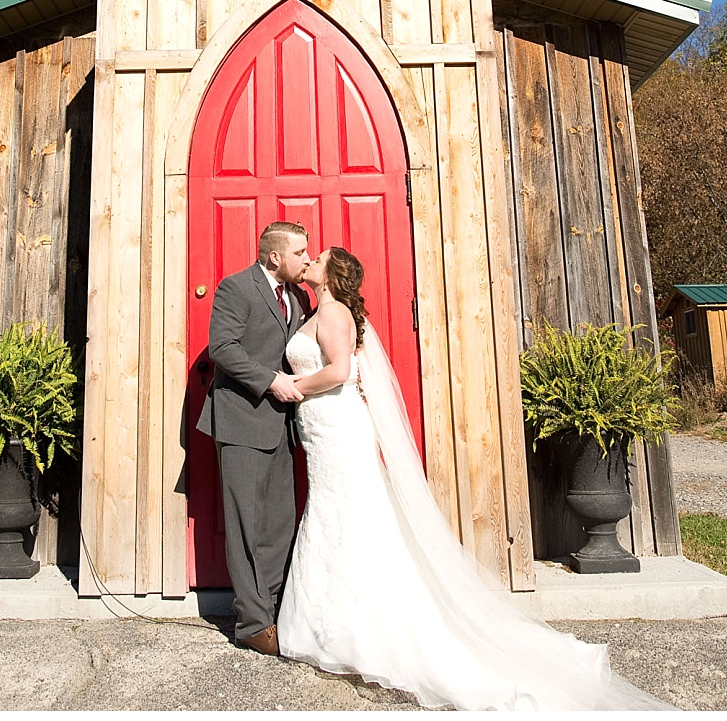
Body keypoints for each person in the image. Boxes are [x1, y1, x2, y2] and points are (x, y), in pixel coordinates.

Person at [273, 246, 667, 710]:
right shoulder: (318, 310)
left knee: (347, 516)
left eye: (318, 259)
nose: (311, 262)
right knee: (335, 515)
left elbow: (340, 371)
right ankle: (332, 621)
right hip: (323, 430)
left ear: (332, 276)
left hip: (337, 427)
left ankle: (359, 628)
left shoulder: (334, 312)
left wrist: (293, 387)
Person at [195, 221, 312, 656]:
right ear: (274, 256)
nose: (307, 259)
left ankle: (277, 608)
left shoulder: (299, 296)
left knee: (279, 524)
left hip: (282, 427)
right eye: (300, 252)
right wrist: (269, 381)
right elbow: (222, 348)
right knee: (246, 525)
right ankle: (252, 623)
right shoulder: (235, 288)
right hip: (242, 423)